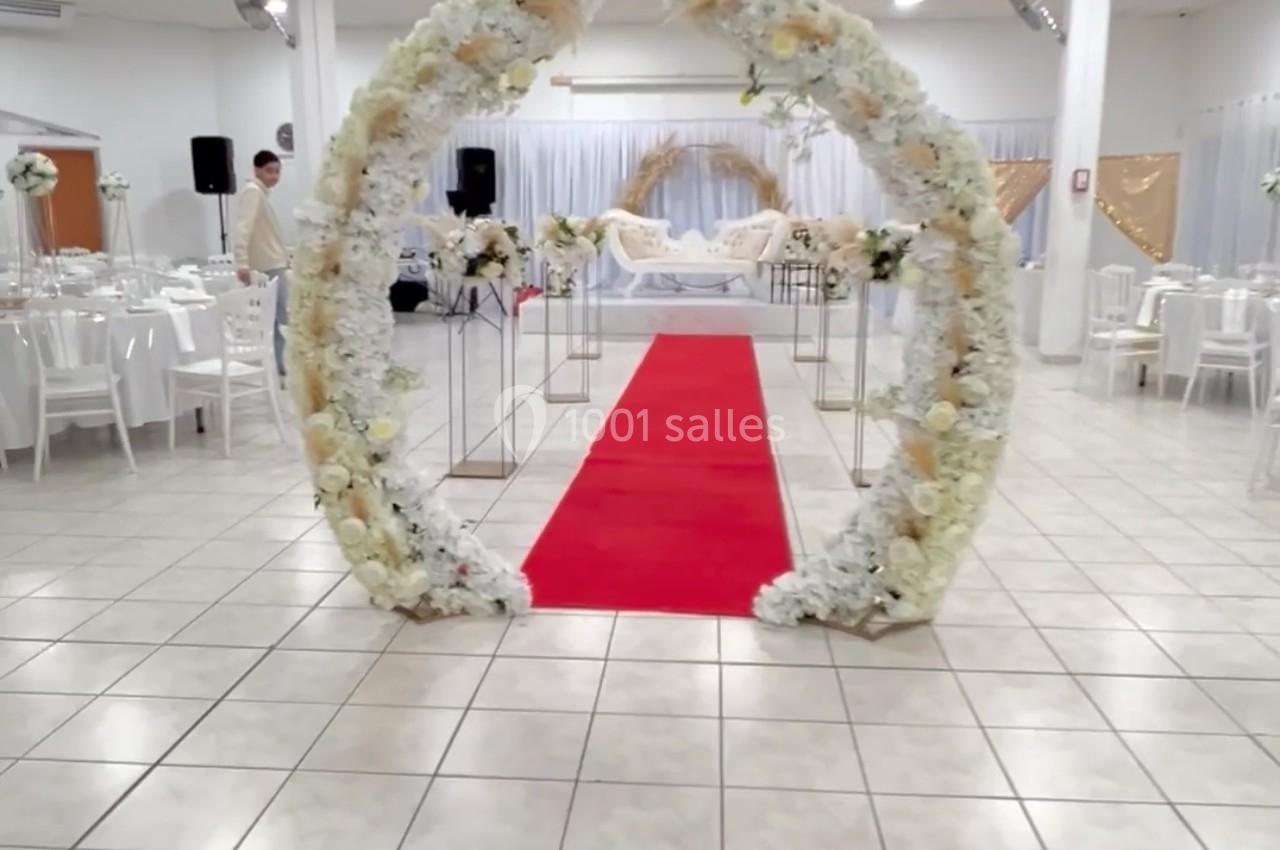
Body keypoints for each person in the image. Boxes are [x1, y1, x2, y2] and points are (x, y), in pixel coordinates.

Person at [233, 149, 289, 375]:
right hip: (267, 265)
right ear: (257, 170)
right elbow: (242, 229)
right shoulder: (253, 192)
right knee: (278, 318)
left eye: (277, 171)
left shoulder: (261, 193)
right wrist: (242, 263)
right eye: (269, 171)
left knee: (276, 318)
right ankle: (275, 368)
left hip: (272, 262)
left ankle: (277, 366)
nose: (274, 176)